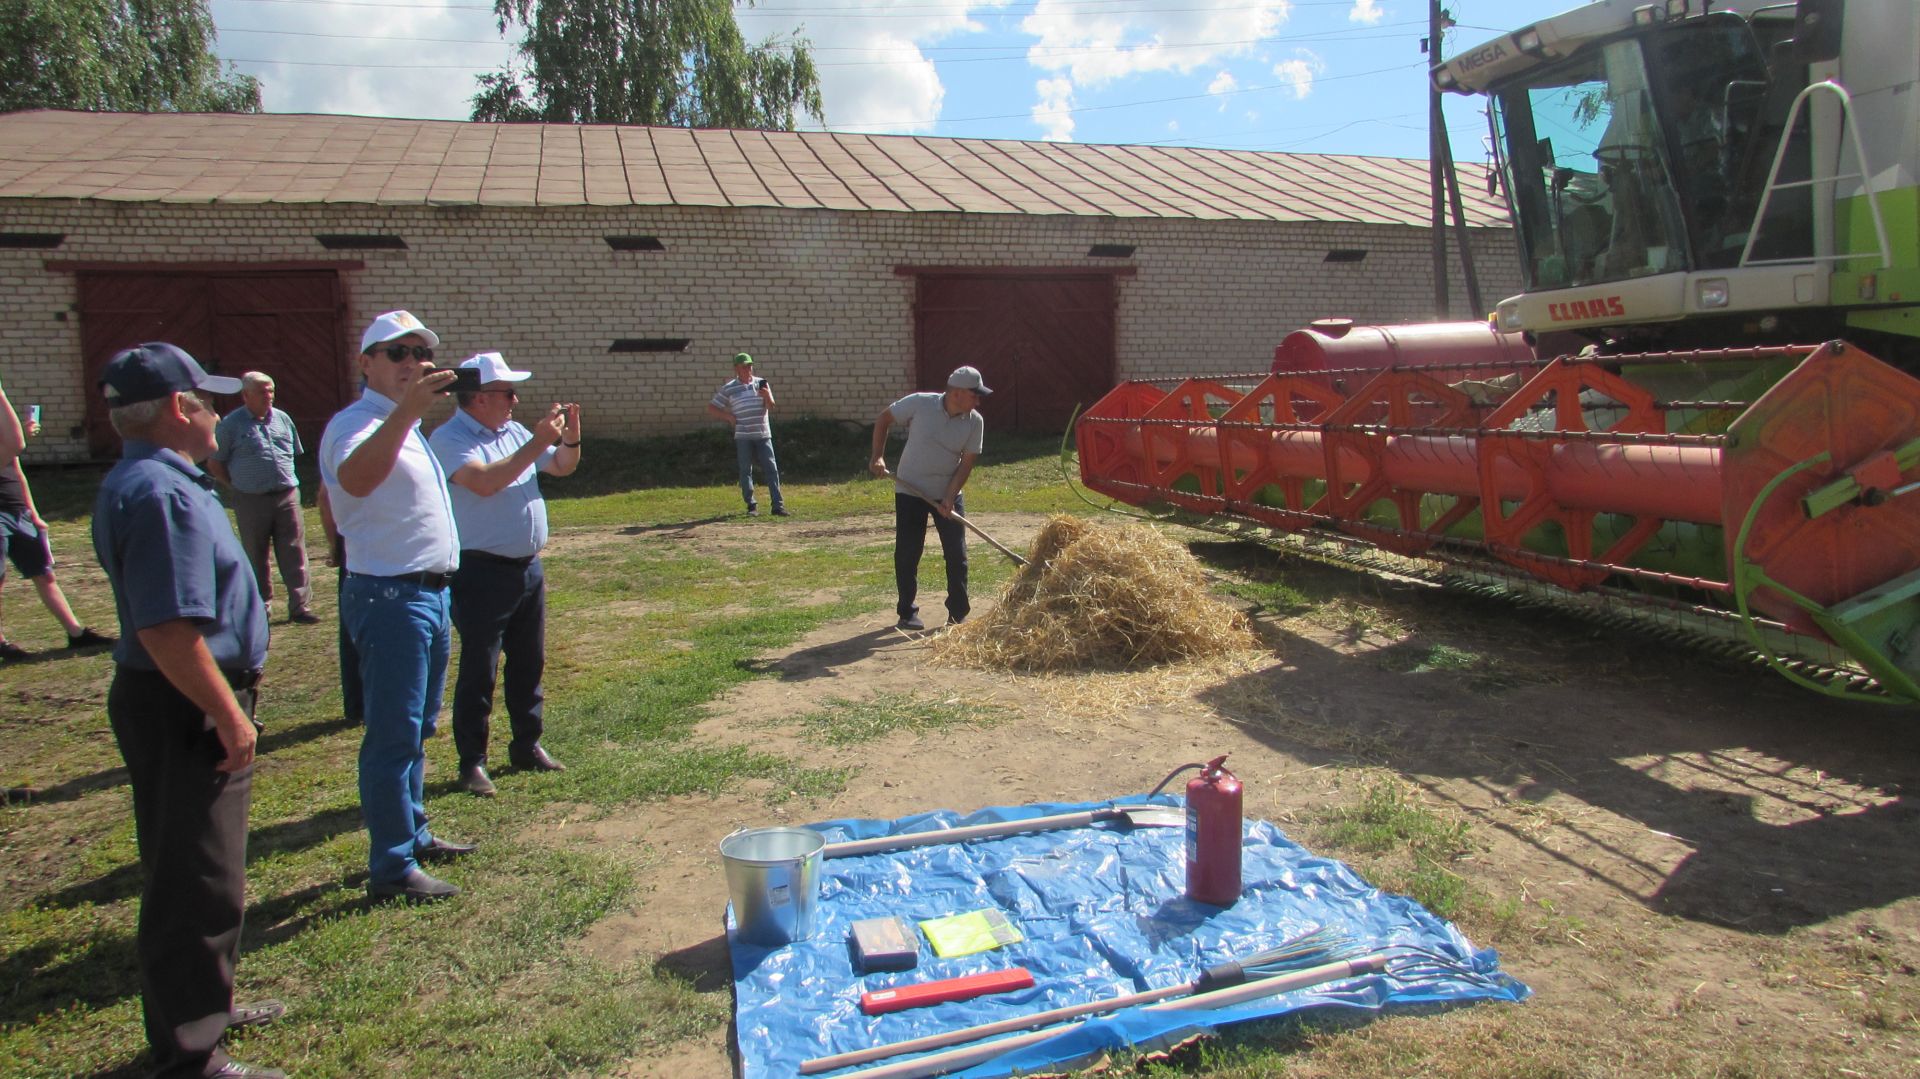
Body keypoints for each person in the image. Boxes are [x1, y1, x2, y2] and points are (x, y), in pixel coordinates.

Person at [91, 343, 286, 1079]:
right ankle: (190, 1052)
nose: (219, 413)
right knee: (196, 879)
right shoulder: (163, 494)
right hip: (184, 702)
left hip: (178, 695)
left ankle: (208, 1004)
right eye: (209, 400)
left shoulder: (148, 479)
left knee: (200, 865)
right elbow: (168, 628)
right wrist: (229, 715)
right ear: (180, 408)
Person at [319, 310, 475, 903]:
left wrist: (407, 415)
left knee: (416, 728)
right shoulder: (355, 422)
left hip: (426, 594)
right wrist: (409, 410)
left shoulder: (397, 423)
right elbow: (355, 481)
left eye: (419, 352)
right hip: (390, 596)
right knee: (392, 736)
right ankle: (390, 866)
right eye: (395, 352)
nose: (411, 362)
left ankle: (414, 834)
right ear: (366, 362)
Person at [428, 352, 580, 797]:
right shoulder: (449, 438)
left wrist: (569, 439)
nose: (515, 400)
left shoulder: (511, 431)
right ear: (477, 398)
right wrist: (535, 442)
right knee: (480, 667)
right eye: (506, 392)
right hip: (480, 571)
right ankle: (471, 761)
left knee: (529, 661)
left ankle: (526, 744)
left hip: (526, 568)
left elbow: (561, 467)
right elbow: (485, 481)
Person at [0, 376, 115, 660]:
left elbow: (18, 471)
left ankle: (76, 633)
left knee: (44, 574)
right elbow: (16, 443)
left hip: (18, 513)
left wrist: (33, 513)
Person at [868, 366, 989, 632]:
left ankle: (957, 613)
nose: (978, 401)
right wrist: (877, 456)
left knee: (957, 554)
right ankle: (907, 612)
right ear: (957, 393)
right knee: (908, 552)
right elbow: (883, 419)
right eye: (974, 395)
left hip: (948, 492)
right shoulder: (920, 403)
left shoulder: (974, 421)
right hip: (910, 490)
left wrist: (949, 496)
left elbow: (966, 464)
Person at [209, 372, 318, 624]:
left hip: (287, 494)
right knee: (256, 553)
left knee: (294, 551)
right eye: (262, 391)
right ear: (246, 395)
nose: (268, 396)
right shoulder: (230, 425)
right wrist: (235, 486)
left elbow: (294, 452)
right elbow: (215, 463)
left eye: (271, 390)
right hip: (251, 499)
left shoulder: (282, 419)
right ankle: (261, 607)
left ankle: (300, 605)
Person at [706, 352, 787, 517]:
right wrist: (728, 417)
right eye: (744, 366)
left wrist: (767, 397)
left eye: (750, 365)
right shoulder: (729, 388)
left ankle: (777, 506)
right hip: (743, 435)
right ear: (737, 368)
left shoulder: (761, 383)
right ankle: (751, 505)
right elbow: (712, 407)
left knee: (771, 468)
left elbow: (771, 406)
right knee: (745, 470)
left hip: (763, 433)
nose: (748, 369)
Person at [316, 484, 362, 724]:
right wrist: (336, 546)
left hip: (361, 541)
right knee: (354, 628)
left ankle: (358, 707)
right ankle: (358, 706)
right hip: (362, 543)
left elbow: (325, 500)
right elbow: (325, 498)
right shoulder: (346, 445)